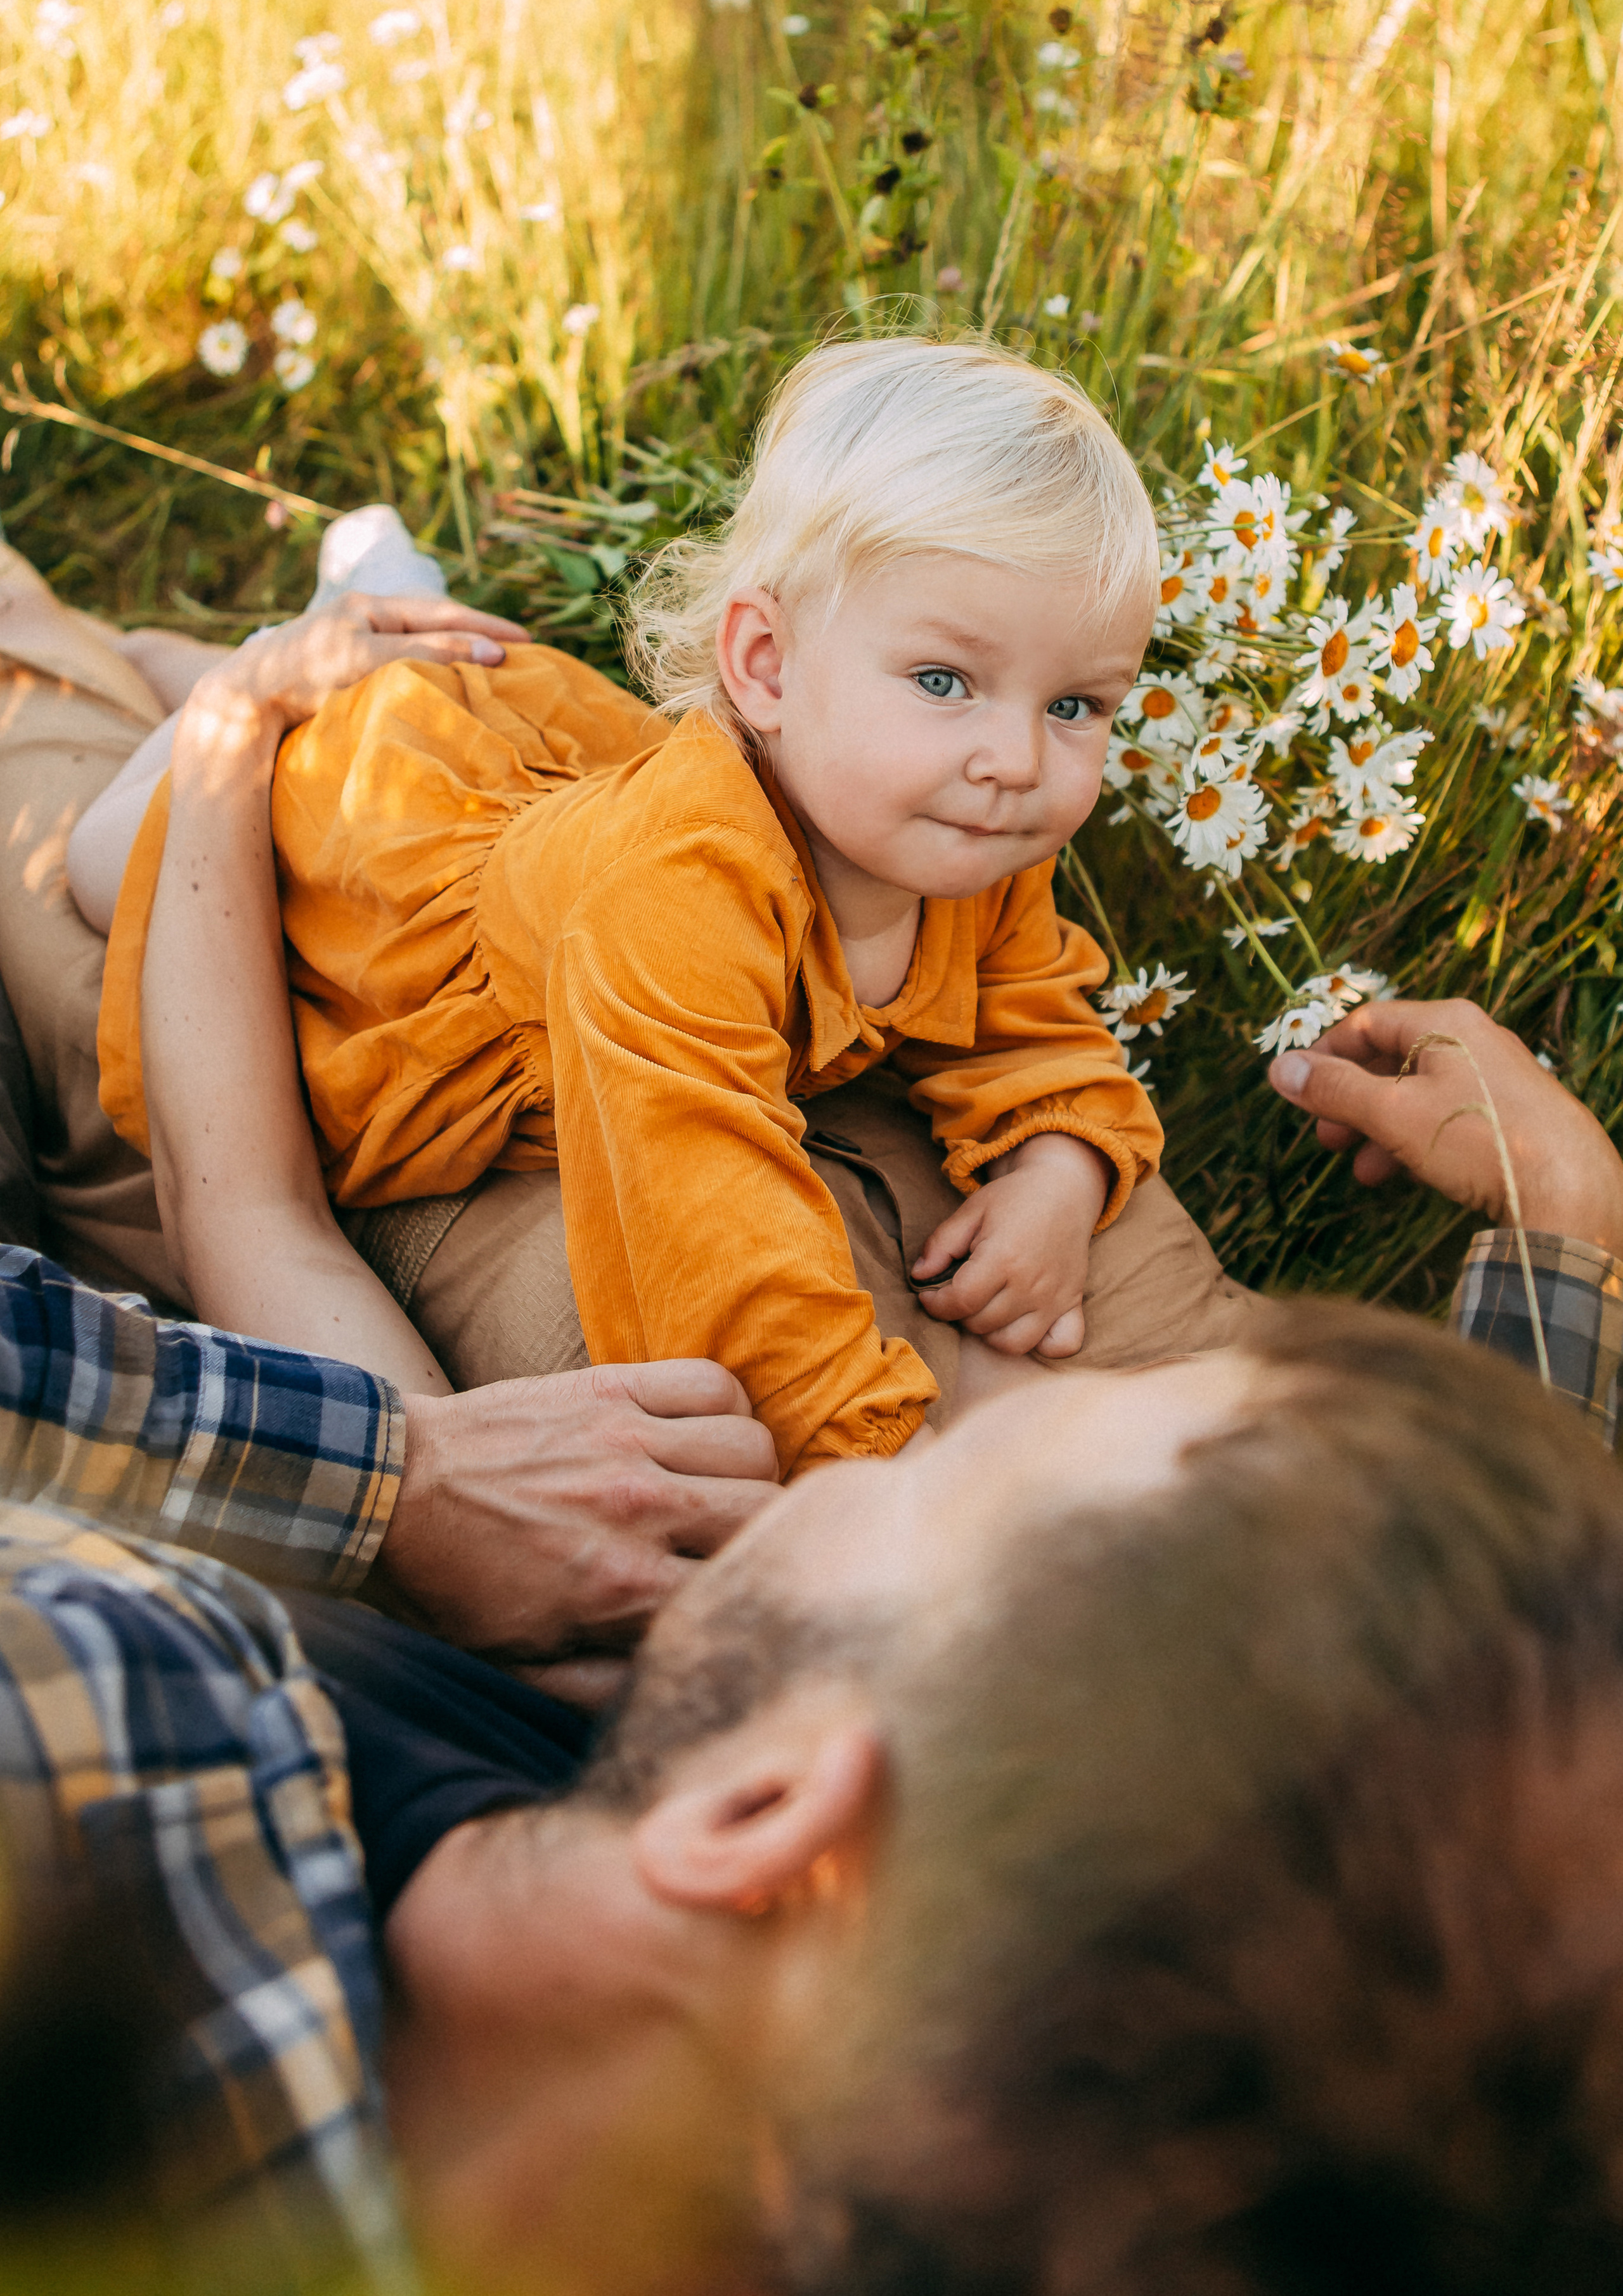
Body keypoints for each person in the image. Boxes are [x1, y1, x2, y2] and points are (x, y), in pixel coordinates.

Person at [0, 983, 1619, 2292]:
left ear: (763, 1822)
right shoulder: (929, 2098)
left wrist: (396, 1476)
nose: (947, 1398)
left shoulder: (106, 1746)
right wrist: (1564, 1242)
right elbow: (1384, 1860)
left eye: (980, 1449)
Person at [86, 335, 1231, 1481]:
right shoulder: (677, 900)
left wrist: (1059, 1171)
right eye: (945, 682)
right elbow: (716, 1248)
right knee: (109, 853)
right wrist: (879, 1463)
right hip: (357, 851)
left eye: (1076, 703)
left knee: (433, 680)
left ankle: (377, 601)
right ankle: (267, 660)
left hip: (545, 792)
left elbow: (1033, 1010)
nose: (1018, 757)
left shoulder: (966, 831)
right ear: (767, 667)